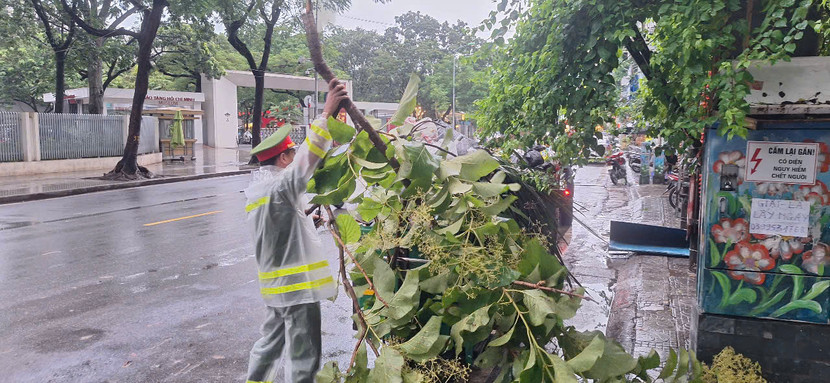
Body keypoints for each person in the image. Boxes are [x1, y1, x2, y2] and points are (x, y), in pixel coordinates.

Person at [243, 78, 349, 383]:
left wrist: (307, 220)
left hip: (275, 290)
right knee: (304, 357)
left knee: (268, 347)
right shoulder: (281, 187)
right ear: (283, 158)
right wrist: (326, 112)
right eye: (290, 155)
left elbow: (279, 225)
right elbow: (309, 158)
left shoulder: (256, 193)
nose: (293, 160)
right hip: (298, 291)